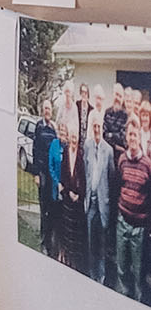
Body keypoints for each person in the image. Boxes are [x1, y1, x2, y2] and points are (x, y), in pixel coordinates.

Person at [115, 119, 151, 299]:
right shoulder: (121, 160)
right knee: (121, 267)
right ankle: (123, 297)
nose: (132, 137)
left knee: (138, 271)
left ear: (139, 137)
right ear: (127, 137)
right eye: (130, 134)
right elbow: (117, 186)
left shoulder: (147, 164)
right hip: (122, 222)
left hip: (139, 228)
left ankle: (137, 300)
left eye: (135, 134)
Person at [86, 117, 116, 285]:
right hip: (90, 204)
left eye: (99, 126)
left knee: (102, 243)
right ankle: (92, 274)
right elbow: (86, 171)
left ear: (102, 128)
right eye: (94, 126)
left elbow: (111, 179)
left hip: (102, 206)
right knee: (91, 242)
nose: (96, 129)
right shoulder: (87, 146)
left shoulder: (109, 150)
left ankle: (102, 276)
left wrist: (107, 200)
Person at [57, 121, 87, 272]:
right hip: (67, 198)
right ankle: (66, 258)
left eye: (76, 137)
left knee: (76, 233)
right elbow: (63, 175)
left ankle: (75, 262)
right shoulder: (66, 152)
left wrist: (79, 194)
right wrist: (67, 191)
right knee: (66, 230)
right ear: (69, 138)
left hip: (77, 200)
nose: (74, 139)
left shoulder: (81, 154)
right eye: (72, 137)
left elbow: (83, 177)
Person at [33, 99, 59, 257]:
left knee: (52, 209)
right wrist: (36, 174)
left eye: (49, 108)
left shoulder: (53, 128)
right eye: (45, 108)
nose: (47, 111)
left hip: (52, 174)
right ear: (42, 110)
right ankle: (44, 243)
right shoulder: (39, 127)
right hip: (42, 173)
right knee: (44, 210)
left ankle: (51, 243)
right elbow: (35, 150)